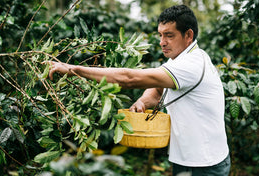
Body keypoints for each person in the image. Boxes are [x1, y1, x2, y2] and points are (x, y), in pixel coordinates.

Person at [45, 5, 230, 176]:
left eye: (169, 35)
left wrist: (74, 70)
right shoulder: (178, 59)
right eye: (160, 35)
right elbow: (158, 90)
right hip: (186, 157)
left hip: (206, 163)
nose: (162, 42)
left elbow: (129, 79)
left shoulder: (191, 64)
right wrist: (143, 101)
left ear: (188, 35)